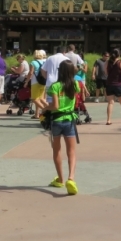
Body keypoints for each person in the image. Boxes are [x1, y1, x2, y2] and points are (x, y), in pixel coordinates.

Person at [45, 60, 78, 195]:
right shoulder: (75, 85)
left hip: (57, 120)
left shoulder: (55, 86)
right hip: (70, 120)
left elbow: (55, 106)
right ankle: (71, 178)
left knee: (57, 150)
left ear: (60, 71)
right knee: (71, 151)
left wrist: (45, 107)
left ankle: (60, 179)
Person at [29, 50, 47, 118]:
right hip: (43, 81)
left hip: (35, 82)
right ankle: (39, 113)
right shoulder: (45, 62)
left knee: (34, 99)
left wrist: (27, 80)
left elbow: (31, 73)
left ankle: (45, 110)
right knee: (41, 99)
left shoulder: (33, 62)